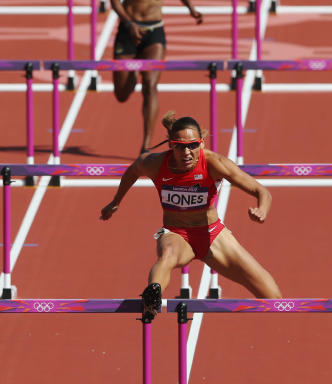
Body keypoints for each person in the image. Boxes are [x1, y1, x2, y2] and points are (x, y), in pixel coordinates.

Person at [100, 112, 281, 316]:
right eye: (180, 146)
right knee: (167, 256)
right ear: (171, 145)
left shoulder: (215, 163)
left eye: (192, 145)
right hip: (176, 234)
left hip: (212, 235)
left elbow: (261, 191)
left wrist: (262, 209)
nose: (186, 152)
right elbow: (133, 171)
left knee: (273, 298)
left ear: (201, 144)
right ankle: (152, 295)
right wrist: (115, 202)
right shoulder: (155, 163)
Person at [110, 0, 203, 154]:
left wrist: (192, 9)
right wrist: (129, 23)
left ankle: (147, 143)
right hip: (129, 31)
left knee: (151, 86)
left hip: (154, 32)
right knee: (121, 94)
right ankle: (132, 73)